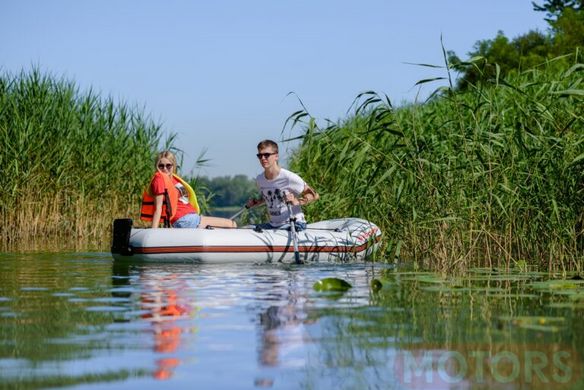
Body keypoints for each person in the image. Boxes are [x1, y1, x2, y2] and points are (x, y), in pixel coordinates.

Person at [140, 151, 236, 229]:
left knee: (227, 227)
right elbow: (158, 208)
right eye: (161, 166)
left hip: (191, 218)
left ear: (174, 166)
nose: (165, 169)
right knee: (232, 225)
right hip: (184, 220)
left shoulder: (173, 179)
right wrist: (153, 232)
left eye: (168, 165)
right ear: (157, 166)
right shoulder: (159, 179)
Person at [246, 140, 319, 230]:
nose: (263, 158)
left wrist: (297, 201)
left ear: (276, 156)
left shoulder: (288, 177)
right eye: (260, 155)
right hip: (274, 225)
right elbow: (270, 198)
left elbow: (314, 195)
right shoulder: (260, 179)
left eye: (266, 155)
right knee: (248, 228)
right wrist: (257, 202)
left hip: (294, 224)